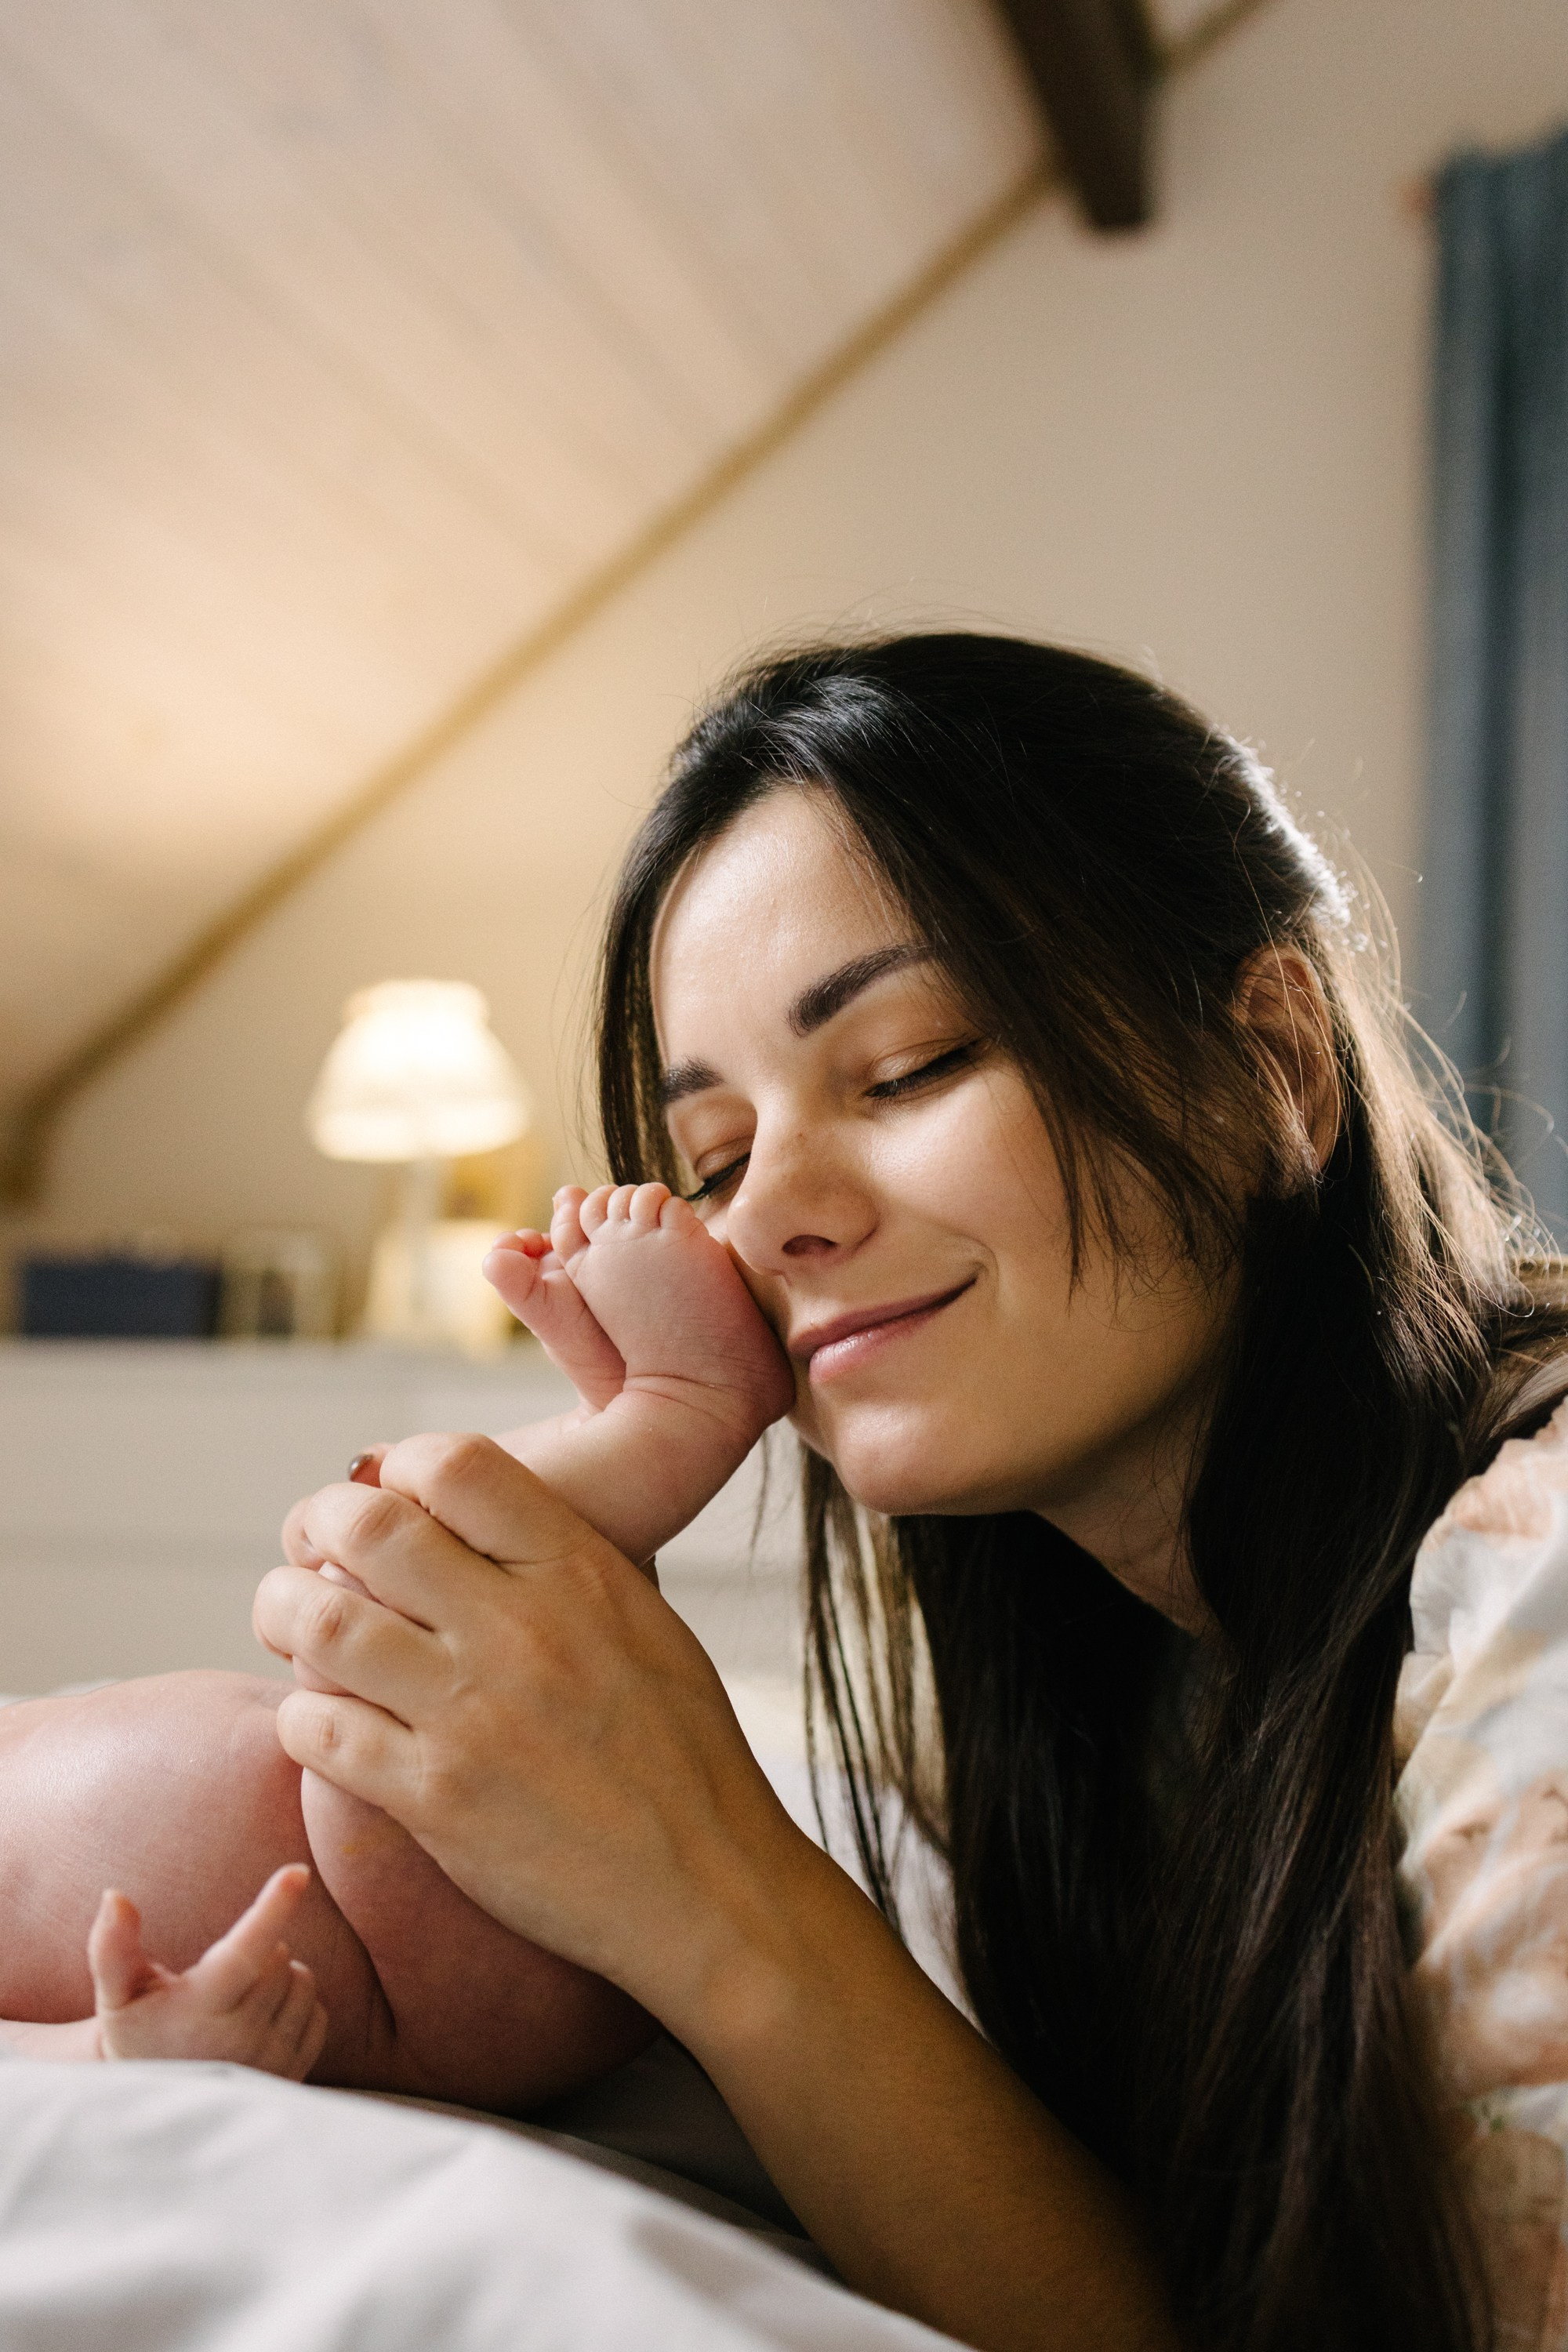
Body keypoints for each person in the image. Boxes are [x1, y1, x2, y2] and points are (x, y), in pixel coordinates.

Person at [253, 634, 1568, 2352]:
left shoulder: (1535, 1586)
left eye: (908, 1066)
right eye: (714, 1159)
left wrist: (714, 1883)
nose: (774, 1214)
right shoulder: (1109, 1694)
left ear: (1272, 1066)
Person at [0, 1182, 788, 2107]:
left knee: (410, 1577)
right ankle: (686, 1408)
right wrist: (112, 2051)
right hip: (425, 1976)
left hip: (466, 1828)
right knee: (394, 1580)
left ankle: (615, 1417)